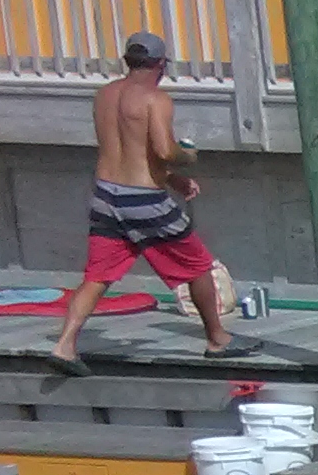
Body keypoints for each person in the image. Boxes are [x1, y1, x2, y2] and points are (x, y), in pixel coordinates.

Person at [51, 32, 252, 365]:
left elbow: (128, 153)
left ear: (127, 61)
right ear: (160, 64)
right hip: (143, 200)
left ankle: (64, 345)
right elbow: (161, 150)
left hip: (105, 195)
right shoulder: (156, 99)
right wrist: (186, 156)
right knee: (198, 266)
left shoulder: (103, 96)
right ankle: (217, 339)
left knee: (97, 276)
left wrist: (172, 180)